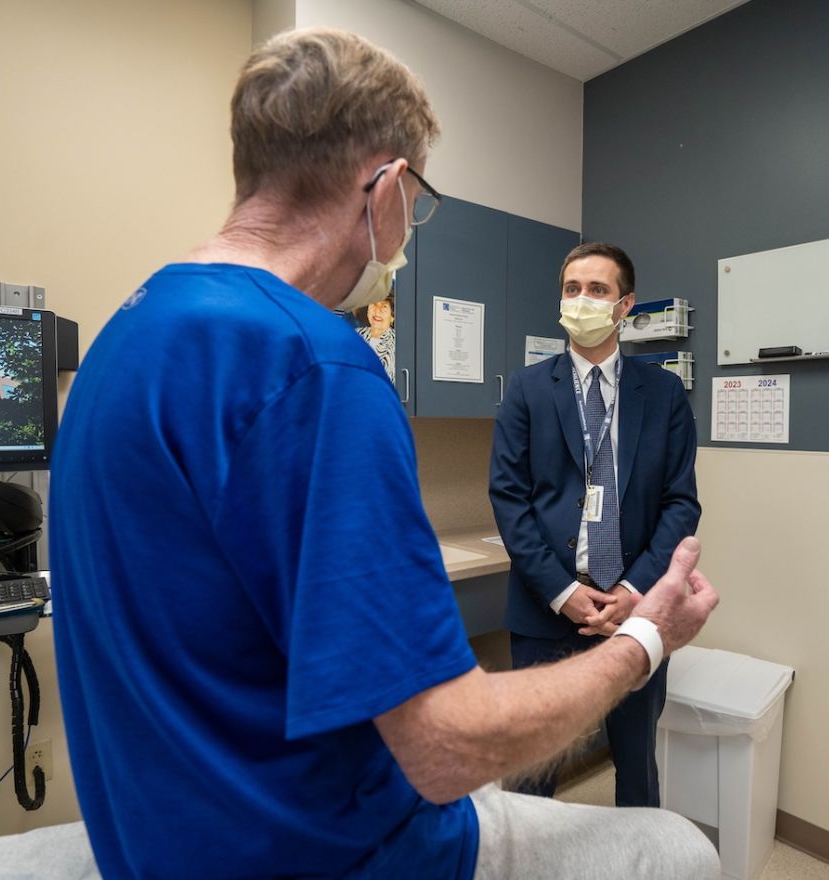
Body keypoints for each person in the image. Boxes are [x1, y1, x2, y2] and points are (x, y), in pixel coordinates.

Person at [50, 27, 719, 880]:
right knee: (677, 850)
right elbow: (445, 750)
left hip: (162, 843)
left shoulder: (124, 337)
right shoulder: (318, 364)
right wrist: (646, 640)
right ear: (391, 186)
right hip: (329, 852)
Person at [489, 242, 701, 807]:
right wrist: (563, 593)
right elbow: (510, 500)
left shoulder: (662, 395)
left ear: (624, 305)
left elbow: (681, 504)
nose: (581, 300)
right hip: (545, 606)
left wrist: (632, 592)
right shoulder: (528, 389)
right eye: (572, 289)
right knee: (532, 772)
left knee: (636, 765)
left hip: (635, 610)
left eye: (598, 290)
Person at [353, 291, 396, 381]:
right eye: (374, 304)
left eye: (384, 306)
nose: (377, 310)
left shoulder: (397, 341)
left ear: (392, 317)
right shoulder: (355, 335)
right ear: (368, 310)